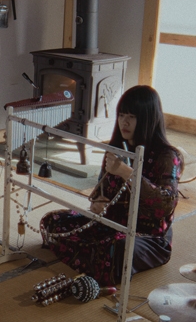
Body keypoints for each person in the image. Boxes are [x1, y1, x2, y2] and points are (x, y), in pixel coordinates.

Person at [39, 85, 184, 287]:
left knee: (120, 248)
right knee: (52, 221)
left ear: (148, 118)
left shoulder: (167, 156)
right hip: (109, 225)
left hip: (147, 238)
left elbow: (165, 205)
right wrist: (98, 202)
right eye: (122, 115)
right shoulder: (115, 148)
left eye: (132, 117)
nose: (124, 122)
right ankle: (96, 258)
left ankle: (97, 259)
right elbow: (100, 191)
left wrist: (127, 172)